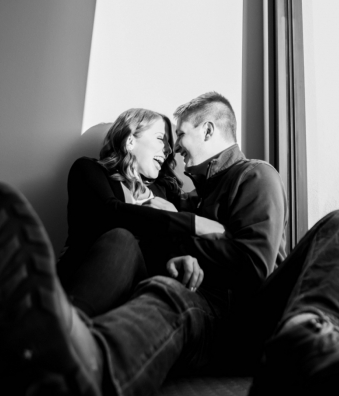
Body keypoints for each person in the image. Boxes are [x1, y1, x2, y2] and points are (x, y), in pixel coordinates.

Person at [0, 92, 339, 395]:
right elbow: (136, 231)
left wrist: (188, 240)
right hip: (204, 316)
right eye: (165, 141)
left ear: (209, 128)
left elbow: (255, 266)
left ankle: (312, 343)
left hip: (257, 314)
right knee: (168, 296)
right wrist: (180, 252)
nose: (175, 150)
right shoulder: (180, 190)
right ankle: (85, 365)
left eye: (183, 135)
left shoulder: (253, 175)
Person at [55, 108, 225, 317]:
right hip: (81, 281)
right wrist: (192, 223)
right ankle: (68, 330)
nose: (168, 150)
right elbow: (110, 214)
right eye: (160, 138)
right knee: (122, 238)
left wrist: (180, 259)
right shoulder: (89, 170)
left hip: (137, 299)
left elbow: (164, 250)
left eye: (170, 145)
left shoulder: (166, 194)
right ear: (130, 141)